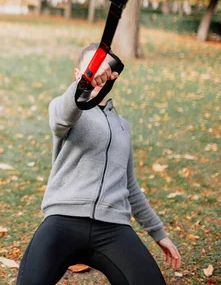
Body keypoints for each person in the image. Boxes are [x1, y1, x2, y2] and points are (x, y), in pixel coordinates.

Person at [16, 43, 181, 285]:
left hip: (113, 228)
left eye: (104, 68)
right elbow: (63, 116)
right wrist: (84, 85)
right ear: (77, 73)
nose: (99, 73)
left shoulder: (122, 126)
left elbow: (130, 186)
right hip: (63, 220)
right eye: (93, 67)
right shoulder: (66, 110)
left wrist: (159, 233)